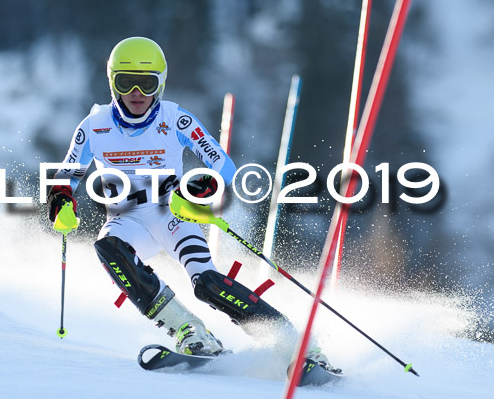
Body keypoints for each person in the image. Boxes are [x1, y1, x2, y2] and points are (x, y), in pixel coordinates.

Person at [47, 37, 336, 369]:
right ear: (113, 83)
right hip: (127, 221)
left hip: (172, 213)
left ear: (161, 84)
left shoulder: (175, 119)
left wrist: (194, 192)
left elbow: (223, 166)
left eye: (147, 83)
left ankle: (296, 345)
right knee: (108, 247)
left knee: (208, 284)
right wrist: (62, 204)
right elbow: (64, 179)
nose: (137, 93)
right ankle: (190, 331)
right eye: (126, 82)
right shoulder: (93, 127)